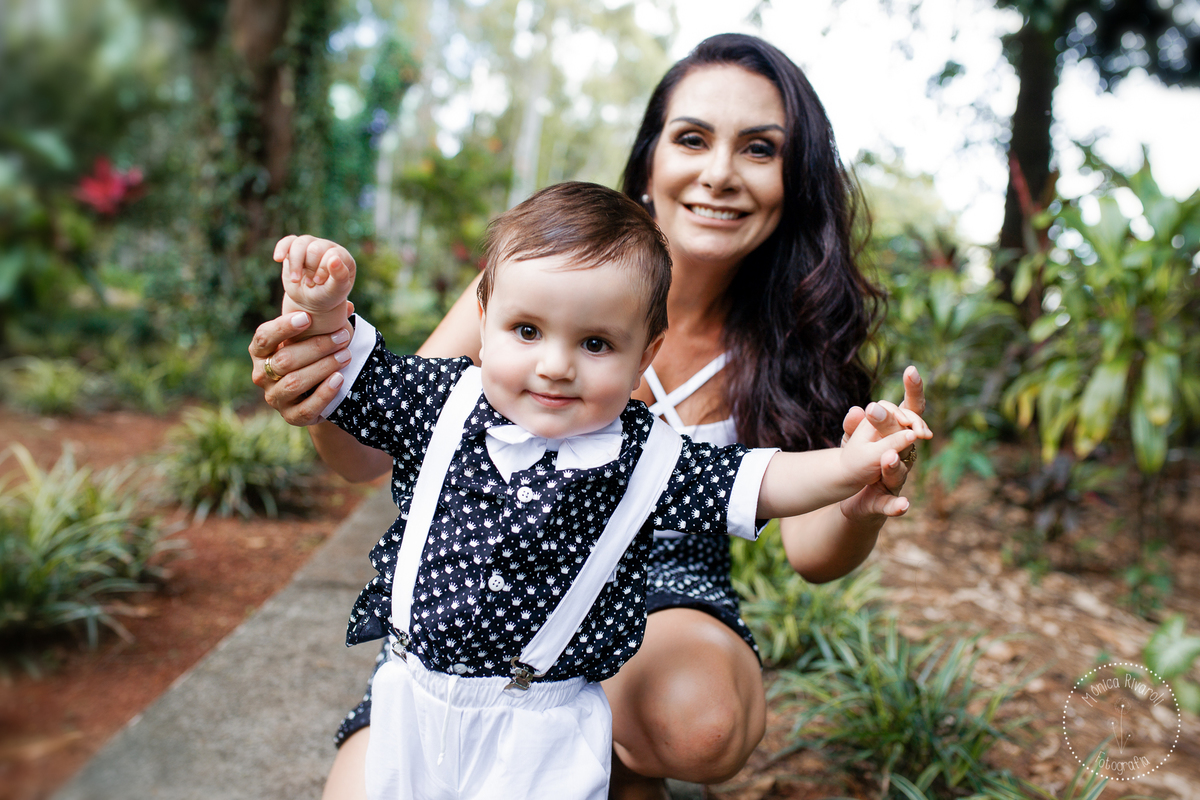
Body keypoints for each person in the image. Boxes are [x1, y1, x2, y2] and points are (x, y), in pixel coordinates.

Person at [250, 34, 929, 800]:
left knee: (687, 726)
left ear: (792, 178)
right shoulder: (531, 279)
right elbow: (373, 436)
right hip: (467, 610)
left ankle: (617, 756)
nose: (718, 173)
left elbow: (802, 534)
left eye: (759, 149)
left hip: (663, 588)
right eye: (693, 138)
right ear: (649, 158)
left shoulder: (793, 340)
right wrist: (321, 372)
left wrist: (860, 480)